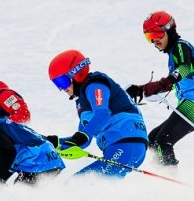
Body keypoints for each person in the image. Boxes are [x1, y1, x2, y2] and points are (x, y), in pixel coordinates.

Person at [123, 11, 194, 166]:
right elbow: (172, 81)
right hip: (193, 105)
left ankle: (171, 176)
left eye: (157, 35)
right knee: (152, 139)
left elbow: (184, 68)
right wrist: (142, 89)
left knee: (163, 140)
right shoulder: (173, 54)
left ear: (169, 30)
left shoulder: (181, 46)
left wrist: (165, 82)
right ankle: (161, 173)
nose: (154, 41)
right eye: (149, 37)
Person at [48, 49, 148, 177]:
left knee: (78, 184)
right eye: (57, 84)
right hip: (125, 147)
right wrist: (56, 142)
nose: (62, 88)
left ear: (76, 73)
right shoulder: (83, 105)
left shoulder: (95, 85)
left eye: (62, 82)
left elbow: (102, 115)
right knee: (90, 187)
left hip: (125, 144)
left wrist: (80, 137)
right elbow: (84, 139)